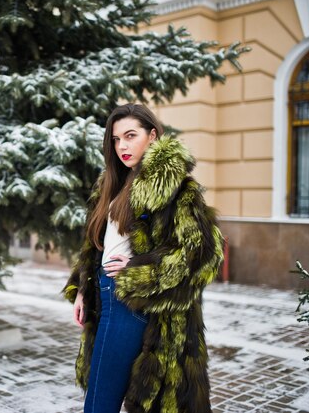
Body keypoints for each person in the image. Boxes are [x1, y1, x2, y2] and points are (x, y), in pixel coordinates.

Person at [62, 103, 224, 413]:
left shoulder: (176, 189)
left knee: (100, 405)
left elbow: (203, 254)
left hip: (131, 302)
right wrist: (82, 288)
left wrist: (139, 271)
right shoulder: (112, 183)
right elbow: (96, 246)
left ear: (152, 135)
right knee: (102, 399)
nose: (122, 145)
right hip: (106, 296)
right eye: (116, 139)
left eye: (130, 135)